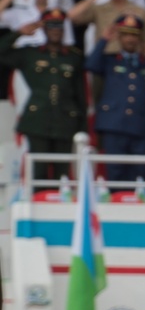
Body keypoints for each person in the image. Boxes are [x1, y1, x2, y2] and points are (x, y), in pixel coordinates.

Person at [0, 9, 85, 184]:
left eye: (59, 26)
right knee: (38, 170)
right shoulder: (30, 54)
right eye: (51, 26)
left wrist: (82, 127)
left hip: (65, 120)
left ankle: (60, 209)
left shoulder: (74, 57)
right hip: (38, 119)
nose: (55, 30)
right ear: (44, 29)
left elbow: (81, 94)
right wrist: (17, 34)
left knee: (62, 173)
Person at [85, 14, 145, 186]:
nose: (130, 39)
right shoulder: (109, 60)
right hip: (114, 125)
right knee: (115, 171)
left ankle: (139, 210)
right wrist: (103, 40)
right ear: (119, 37)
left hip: (140, 126)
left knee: (139, 174)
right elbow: (90, 65)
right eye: (125, 34)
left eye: (134, 35)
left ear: (139, 38)